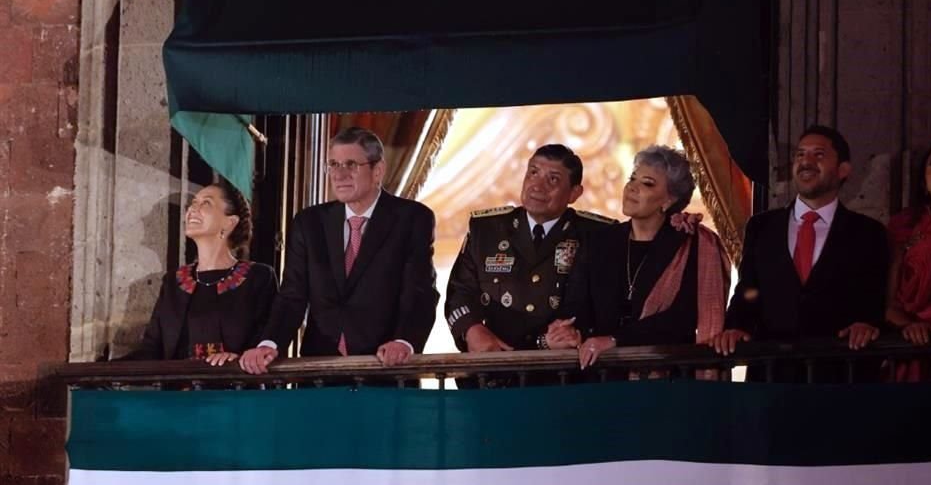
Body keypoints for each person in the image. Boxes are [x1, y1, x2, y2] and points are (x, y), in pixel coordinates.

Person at [239, 127, 438, 374]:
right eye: (333, 164)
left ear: (378, 171)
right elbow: (292, 295)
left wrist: (405, 341)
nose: (339, 174)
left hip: (385, 369)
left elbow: (419, 292)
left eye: (351, 164)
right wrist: (269, 343)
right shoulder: (309, 222)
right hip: (320, 371)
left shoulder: (412, 218)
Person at [713, 125, 889, 382]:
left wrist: (867, 323)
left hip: (842, 376)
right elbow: (748, 290)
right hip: (772, 376)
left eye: (818, 155)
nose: (806, 162)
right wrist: (735, 328)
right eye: (799, 155)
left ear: (843, 170)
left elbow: (875, 296)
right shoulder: (762, 227)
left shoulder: (868, 232)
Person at [557, 146, 729, 371]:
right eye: (632, 178)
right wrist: (568, 330)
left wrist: (615, 340)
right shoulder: (600, 240)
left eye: (647, 184)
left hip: (666, 376)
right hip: (601, 374)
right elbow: (576, 304)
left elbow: (681, 318)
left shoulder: (691, 243)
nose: (631, 188)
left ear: (669, 200)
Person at [445, 144, 615, 356]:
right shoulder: (487, 229)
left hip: (563, 371)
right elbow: (459, 293)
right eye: (533, 173)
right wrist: (471, 330)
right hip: (493, 369)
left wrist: (574, 332)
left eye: (553, 179)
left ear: (574, 193)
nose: (537, 186)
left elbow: (606, 306)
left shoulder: (597, 235)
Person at [125, 181, 277, 363]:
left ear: (230, 222)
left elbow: (267, 342)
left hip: (235, 388)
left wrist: (237, 360)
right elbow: (151, 350)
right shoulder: (173, 281)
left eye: (206, 203)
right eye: (193, 203)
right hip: (177, 390)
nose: (192, 209)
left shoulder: (258, 277)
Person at [886, 133, 931, 381]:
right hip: (920, 354)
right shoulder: (903, 232)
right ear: (924, 183)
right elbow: (889, 305)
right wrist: (909, 326)